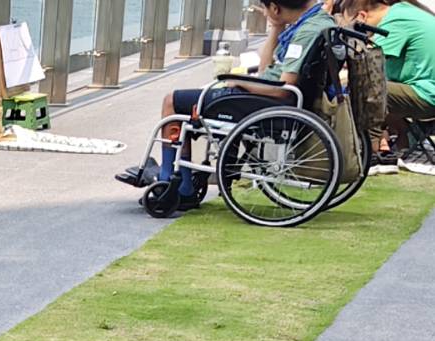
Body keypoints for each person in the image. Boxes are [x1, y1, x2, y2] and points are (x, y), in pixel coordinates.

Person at [117, 0, 337, 202]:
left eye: (266, 9)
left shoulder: (306, 32)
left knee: (172, 101)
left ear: (275, 8)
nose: (266, 14)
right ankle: (179, 182)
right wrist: (276, 28)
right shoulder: (318, 22)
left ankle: (171, 183)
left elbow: (283, 89)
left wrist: (238, 82)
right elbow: (266, 71)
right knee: (190, 103)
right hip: (269, 98)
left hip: (267, 102)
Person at [352, 0, 435, 162]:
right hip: (425, 89)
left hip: (428, 94)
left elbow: (368, 60)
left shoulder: (396, 18)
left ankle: (371, 150)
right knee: (380, 88)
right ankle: (400, 143)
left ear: (362, 16)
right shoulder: (407, 11)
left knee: (364, 89)